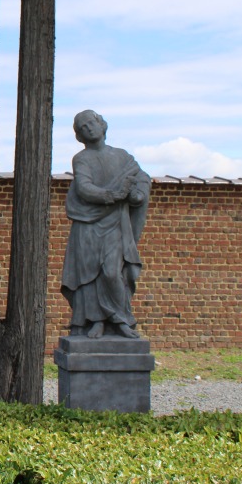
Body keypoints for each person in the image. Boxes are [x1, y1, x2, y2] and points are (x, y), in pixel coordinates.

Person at [60, 110, 150, 339]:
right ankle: (96, 321)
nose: (88, 128)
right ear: (79, 136)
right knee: (89, 275)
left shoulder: (123, 157)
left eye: (91, 123)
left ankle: (121, 320)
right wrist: (112, 194)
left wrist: (137, 193)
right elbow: (84, 187)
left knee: (112, 272)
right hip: (88, 223)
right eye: (82, 127)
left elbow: (141, 177)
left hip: (115, 224)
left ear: (101, 124)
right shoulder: (82, 159)